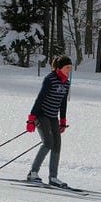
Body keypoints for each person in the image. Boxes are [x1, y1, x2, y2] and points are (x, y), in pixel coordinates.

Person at [25, 55, 72, 188]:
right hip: (41, 115)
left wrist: (62, 121)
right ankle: (33, 173)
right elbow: (39, 99)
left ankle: (53, 177)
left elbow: (63, 103)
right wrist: (31, 119)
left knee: (57, 144)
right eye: (67, 68)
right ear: (59, 68)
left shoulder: (66, 83)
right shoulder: (50, 79)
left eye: (70, 68)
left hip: (52, 117)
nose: (69, 70)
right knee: (48, 143)